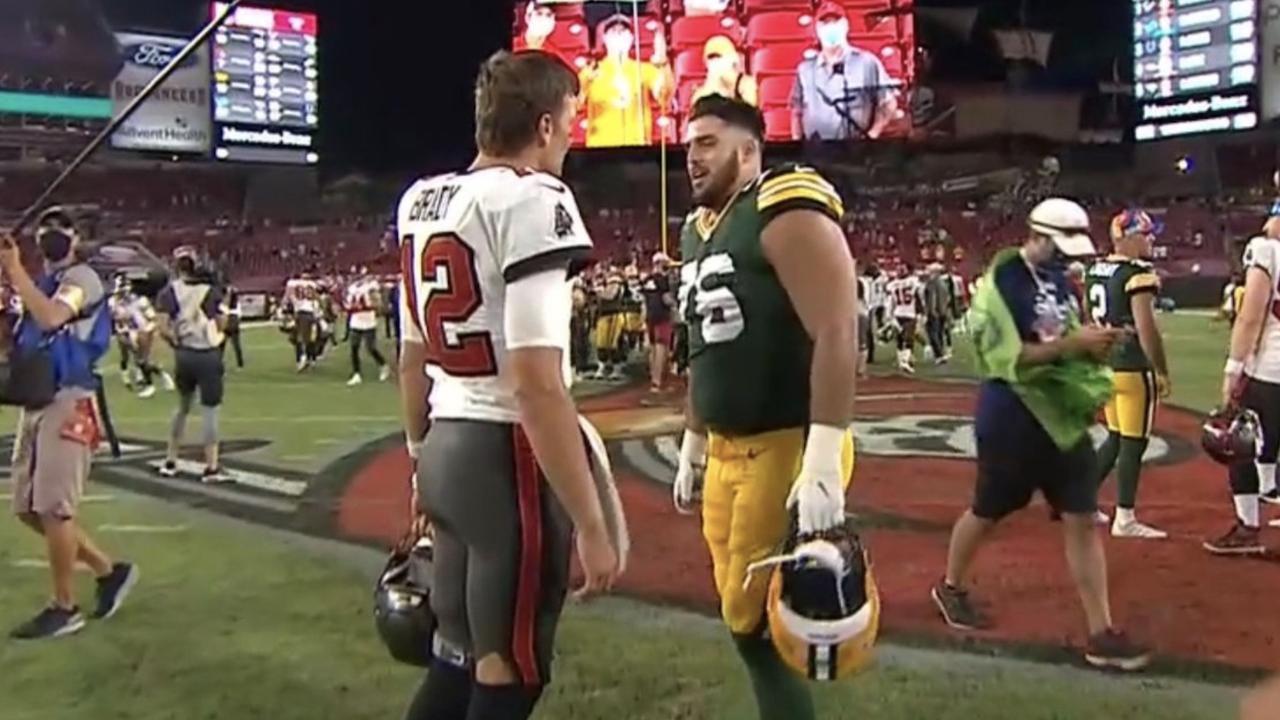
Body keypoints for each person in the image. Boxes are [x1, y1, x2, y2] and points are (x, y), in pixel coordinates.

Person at [398, 49, 620, 720]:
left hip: (444, 444)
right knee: (511, 666)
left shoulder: (423, 199)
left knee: (457, 651)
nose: (574, 137)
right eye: (573, 119)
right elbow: (536, 384)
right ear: (546, 125)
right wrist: (591, 521)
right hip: (504, 456)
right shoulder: (534, 198)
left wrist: (419, 457)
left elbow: (413, 355)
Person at [671, 95, 858, 720]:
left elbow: (837, 329)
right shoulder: (697, 230)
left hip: (785, 443)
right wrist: (695, 440)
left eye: (708, 142)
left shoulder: (782, 203)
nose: (692, 156)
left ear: (748, 149)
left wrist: (826, 454)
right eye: (689, 142)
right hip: (726, 446)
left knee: (752, 619)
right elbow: (704, 345)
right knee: (740, 612)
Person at [930, 198, 1150, 671]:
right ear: (1040, 236)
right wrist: (1075, 343)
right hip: (1012, 419)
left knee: (1082, 515)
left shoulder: (1058, 280)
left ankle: (1101, 632)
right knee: (988, 510)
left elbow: (1060, 341)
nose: (1070, 256)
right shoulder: (1002, 283)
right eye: (1063, 245)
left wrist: (1096, 342)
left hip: (1060, 421)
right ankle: (950, 586)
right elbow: (1009, 360)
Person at [2, 207, 137, 640]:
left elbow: (52, 318)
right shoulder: (41, 283)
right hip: (37, 400)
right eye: (45, 227)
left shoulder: (83, 280)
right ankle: (108, 571)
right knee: (27, 509)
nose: (51, 234)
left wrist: (13, 270)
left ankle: (64, 607)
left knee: (55, 508)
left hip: (70, 399)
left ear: (77, 237)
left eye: (60, 228)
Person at [1085, 210, 1171, 539]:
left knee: (1116, 437)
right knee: (1134, 442)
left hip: (1107, 365)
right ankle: (1126, 517)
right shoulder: (1137, 274)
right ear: (1128, 237)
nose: (1151, 240)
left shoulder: (1096, 270)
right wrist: (1160, 368)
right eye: (1146, 234)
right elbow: (1146, 327)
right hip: (1133, 366)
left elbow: (1089, 321)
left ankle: (1079, 500)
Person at [1205, 210, 1280, 555]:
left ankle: (1248, 528)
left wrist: (1234, 368)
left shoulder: (1267, 250)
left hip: (1271, 369)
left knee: (1240, 445)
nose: (1267, 221)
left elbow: (1251, 316)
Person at [155, 246, 228, 483]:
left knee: (182, 407)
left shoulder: (169, 292)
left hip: (184, 354)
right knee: (210, 411)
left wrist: (177, 342)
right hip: (207, 354)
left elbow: (163, 327)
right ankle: (212, 467)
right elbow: (222, 322)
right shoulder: (210, 291)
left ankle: (170, 460)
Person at [791, 2, 899, 141]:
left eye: (836, 22)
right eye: (825, 23)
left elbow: (888, 102)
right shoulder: (805, 70)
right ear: (817, 29)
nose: (831, 27)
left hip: (856, 150)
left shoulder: (867, 62)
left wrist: (872, 135)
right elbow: (796, 111)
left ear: (846, 26)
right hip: (816, 150)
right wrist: (797, 144)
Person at [579, 14, 673, 147]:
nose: (619, 35)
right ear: (604, 38)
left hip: (637, 147)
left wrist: (663, 63)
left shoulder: (645, 69)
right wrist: (585, 82)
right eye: (613, 31)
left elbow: (664, 97)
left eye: (623, 31)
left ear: (632, 38)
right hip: (599, 148)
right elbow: (576, 104)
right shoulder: (591, 71)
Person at [343, 266, 389, 386]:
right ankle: (356, 373)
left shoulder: (371, 286)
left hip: (368, 320)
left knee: (371, 348)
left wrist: (368, 305)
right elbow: (347, 304)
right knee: (354, 348)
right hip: (356, 320)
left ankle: (383, 365)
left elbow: (377, 303)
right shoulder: (352, 288)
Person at [641, 252, 675, 393]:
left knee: (654, 349)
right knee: (662, 350)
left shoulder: (647, 279)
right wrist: (675, 304)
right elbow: (666, 299)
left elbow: (644, 300)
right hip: (662, 316)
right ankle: (657, 383)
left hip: (650, 316)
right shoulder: (663, 280)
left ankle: (654, 381)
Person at [691, 35, 758, 107]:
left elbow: (749, 112)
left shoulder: (747, 84)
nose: (715, 62)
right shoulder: (700, 93)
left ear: (733, 59)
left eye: (719, 57)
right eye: (711, 59)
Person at [885, 263, 921, 373]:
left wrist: (889, 316)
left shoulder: (892, 285)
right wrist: (920, 314)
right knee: (908, 339)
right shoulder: (914, 282)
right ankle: (904, 361)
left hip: (897, 313)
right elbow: (918, 298)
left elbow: (890, 302)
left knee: (900, 339)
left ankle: (902, 361)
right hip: (909, 314)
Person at [222, 282, 245, 369]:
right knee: (236, 344)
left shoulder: (224, 300)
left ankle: (218, 362)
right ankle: (240, 364)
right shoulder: (236, 303)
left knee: (221, 344)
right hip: (234, 319)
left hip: (227, 319)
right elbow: (239, 314)